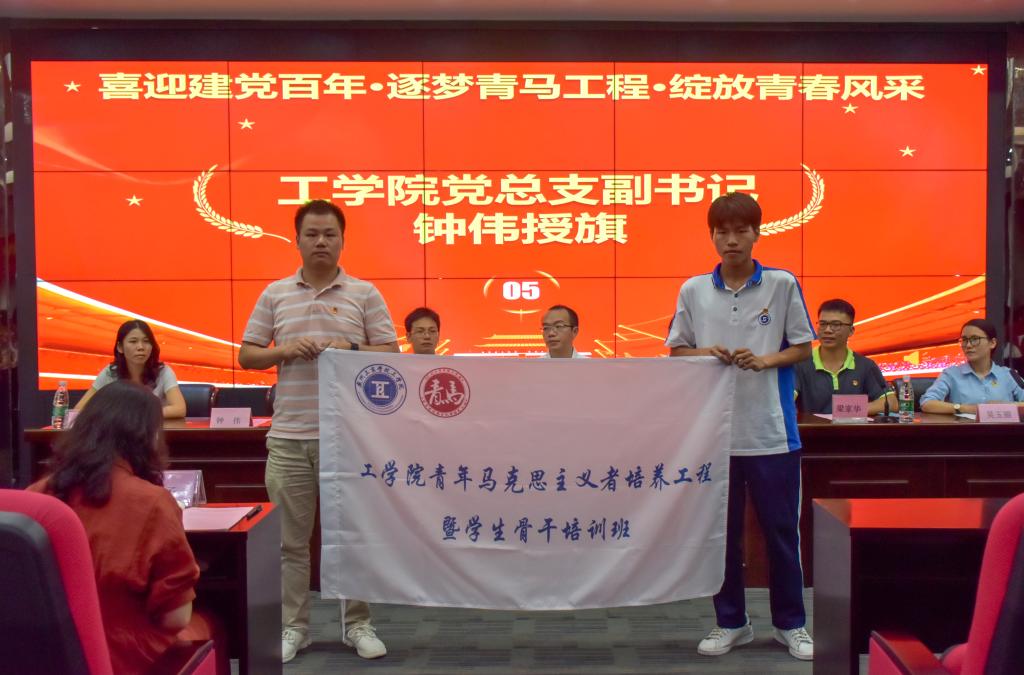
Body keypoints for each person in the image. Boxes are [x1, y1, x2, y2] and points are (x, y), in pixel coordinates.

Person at [238, 199, 399, 663]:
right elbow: (248, 355)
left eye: (330, 234)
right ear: (297, 240)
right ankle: (295, 627)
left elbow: (391, 352)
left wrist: (347, 346)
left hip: (349, 440)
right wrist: (285, 350)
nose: (321, 242)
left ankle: (358, 625)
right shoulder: (275, 294)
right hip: (290, 438)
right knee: (291, 543)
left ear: (343, 240)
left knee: (352, 539)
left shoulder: (364, 293)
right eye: (312, 234)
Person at [666, 192, 815, 661]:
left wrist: (765, 360)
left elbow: (803, 347)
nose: (731, 240)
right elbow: (677, 350)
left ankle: (792, 624)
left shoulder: (781, 283)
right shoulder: (694, 290)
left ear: (756, 233)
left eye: (740, 231)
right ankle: (732, 622)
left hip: (772, 433)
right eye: (722, 232)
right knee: (722, 536)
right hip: (715, 436)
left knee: (781, 533)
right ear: (712, 237)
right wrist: (706, 353)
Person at [28, 381, 225, 675]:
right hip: (124, 658)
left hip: (38, 657)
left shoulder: (35, 498)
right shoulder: (153, 503)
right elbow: (176, 618)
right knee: (211, 624)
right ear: (148, 437)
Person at [794, 298, 896, 415]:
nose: (827, 330)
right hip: (811, 427)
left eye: (836, 325)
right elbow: (784, 400)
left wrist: (847, 410)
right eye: (823, 324)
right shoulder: (800, 364)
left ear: (851, 331)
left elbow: (891, 402)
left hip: (851, 427)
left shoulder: (865, 365)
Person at [75, 319, 186, 418]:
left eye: (146, 341)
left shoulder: (163, 371)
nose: (141, 347)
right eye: (133, 341)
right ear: (120, 347)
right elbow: (79, 409)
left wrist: (135, 415)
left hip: (152, 431)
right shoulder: (110, 372)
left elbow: (180, 409)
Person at [920, 318, 1024, 414]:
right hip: (965, 428)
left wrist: (1004, 406)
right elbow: (927, 403)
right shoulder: (951, 374)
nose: (968, 345)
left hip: (1003, 428)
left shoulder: (1008, 375)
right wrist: (964, 408)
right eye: (964, 340)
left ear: (992, 343)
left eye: (975, 339)